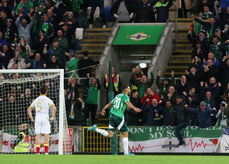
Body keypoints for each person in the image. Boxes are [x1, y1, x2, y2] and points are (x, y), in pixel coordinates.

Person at [88, 86, 141, 155]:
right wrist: (134, 108)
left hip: (112, 116)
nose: (130, 90)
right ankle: (126, 152)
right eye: (129, 89)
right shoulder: (125, 96)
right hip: (118, 116)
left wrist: (103, 109)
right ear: (126, 90)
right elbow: (128, 103)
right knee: (125, 133)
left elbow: (110, 103)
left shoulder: (117, 96)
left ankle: (96, 129)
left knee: (110, 134)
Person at [27, 86, 57, 155]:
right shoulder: (48, 99)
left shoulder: (36, 100)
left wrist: (32, 118)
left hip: (38, 117)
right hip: (45, 117)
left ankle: (38, 153)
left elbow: (29, 110)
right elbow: (54, 108)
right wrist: (52, 117)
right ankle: (46, 153)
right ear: (46, 92)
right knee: (46, 135)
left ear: (39, 92)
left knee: (38, 135)